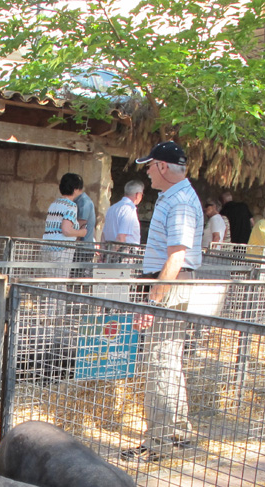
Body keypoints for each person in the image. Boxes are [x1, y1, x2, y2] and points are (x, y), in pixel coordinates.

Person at [122, 141, 203, 461]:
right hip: (168, 283)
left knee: (158, 362)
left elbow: (177, 256)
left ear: (163, 167)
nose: (147, 171)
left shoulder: (180, 201)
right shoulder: (176, 196)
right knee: (168, 360)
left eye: (150, 165)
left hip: (170, 285)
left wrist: (152, 302)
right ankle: (178, 433)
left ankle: (157, 443)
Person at [41, 172, 87, 277]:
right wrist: (81, 232)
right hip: (62, 250)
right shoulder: (71, 206)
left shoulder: (54, 204)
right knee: (60, 285)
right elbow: (66, 230)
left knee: (48, 284)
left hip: (47, 247)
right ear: (75, 189)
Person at [102, 180, 143, 249]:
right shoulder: (129, 210)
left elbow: (103, 235)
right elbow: (121, 237)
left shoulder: (112, 208)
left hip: (108, 250)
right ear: (137, 195)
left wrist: (103, 255)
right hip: (124, 254)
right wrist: (112, 255)